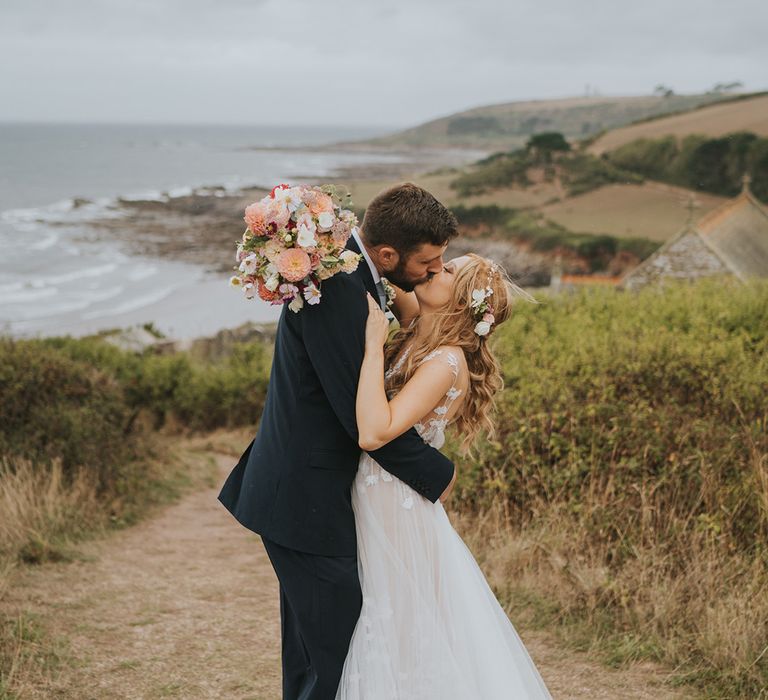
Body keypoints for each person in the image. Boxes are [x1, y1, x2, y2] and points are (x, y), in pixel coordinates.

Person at [217, 183, 460, 699]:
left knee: (314, 652)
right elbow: (363, 422)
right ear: (389, 254)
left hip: (306, 492)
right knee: (332, 652)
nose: (434, 272)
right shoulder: (338, 288)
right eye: (429, 263)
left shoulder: (351, 275)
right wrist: (438, 474)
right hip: (304, 497)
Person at [334, 253, 553, 699]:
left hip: (395, 505)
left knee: (393, 622)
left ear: (461, 302)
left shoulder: (446, 363)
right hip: (373, 495)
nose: (435, 269)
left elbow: (375, 432)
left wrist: (374, 346)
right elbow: (377, 266)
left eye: (448, 270)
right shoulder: (419, 326)